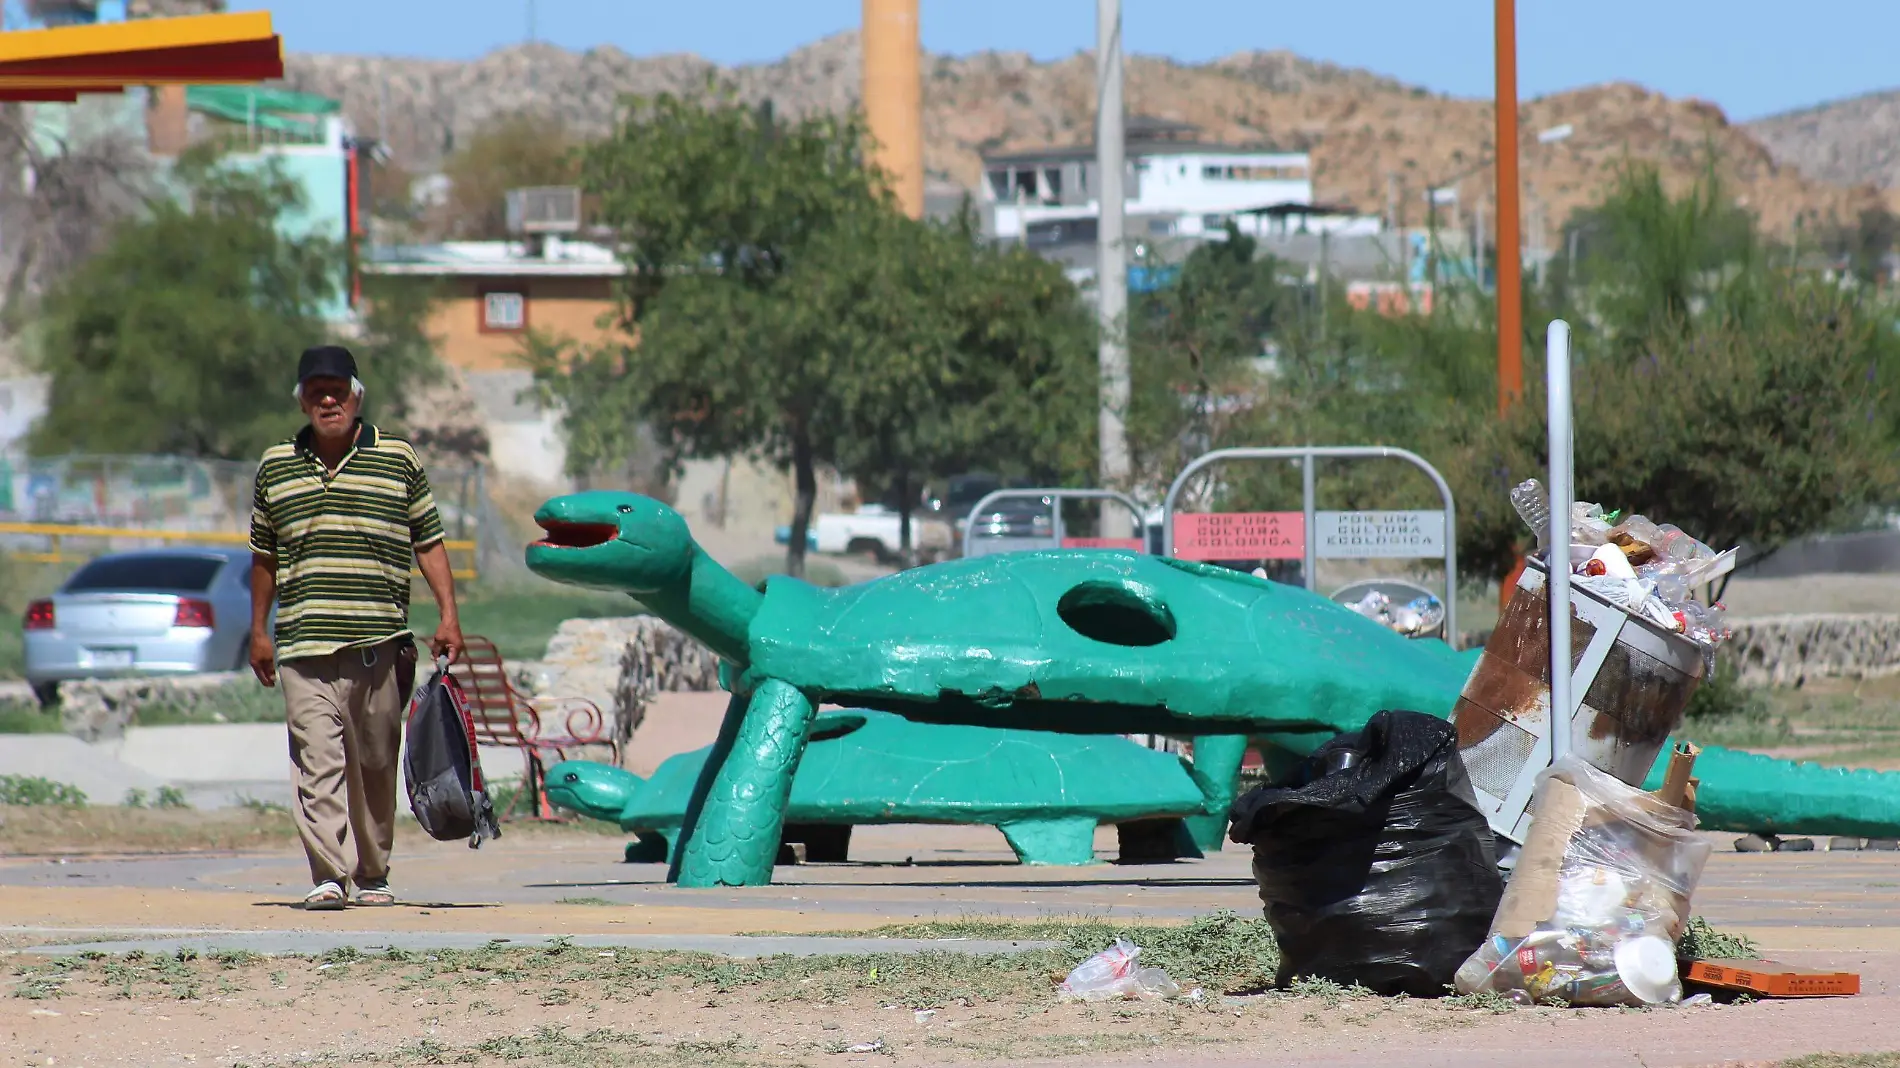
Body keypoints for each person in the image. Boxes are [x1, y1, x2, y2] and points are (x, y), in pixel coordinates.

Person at [247, 345, 464, 911]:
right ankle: (326, 873)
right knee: (316, 760)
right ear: (301, 400)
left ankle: (371, 873)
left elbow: (429, 542)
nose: (327, 399)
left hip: (378, 645)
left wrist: (448, 616)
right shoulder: (275, 466)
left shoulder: (398, 459)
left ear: (355, 394)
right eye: (316, 390)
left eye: (337, 389)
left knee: (372, 764)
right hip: (303, 643)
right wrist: (259, 631)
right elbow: (263, 556)